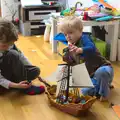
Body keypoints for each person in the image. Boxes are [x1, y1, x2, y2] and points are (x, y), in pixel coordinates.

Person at [58, 16, 114, 101]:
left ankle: (104, 93)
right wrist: (68, 57)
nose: (68, 36)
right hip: (92, 76)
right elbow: (71, 63)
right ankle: (103, 85)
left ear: (80, 31)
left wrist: (80, 50)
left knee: (101, 72)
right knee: (85, 91)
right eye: (65, 34)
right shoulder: (71, 46)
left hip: (104, 68)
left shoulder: (85, 39)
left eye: (70, 33)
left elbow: (91, 48)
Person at [0, 19, 45, 95]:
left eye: (10, 44)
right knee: (12, 54)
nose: (8, 47)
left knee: (35, 71)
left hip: (7, 72)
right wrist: (16, 85)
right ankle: (26, 88)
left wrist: (30, 66)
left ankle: (20, 83)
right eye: (5, 45)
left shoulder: (8, 45)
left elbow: (21, 57)